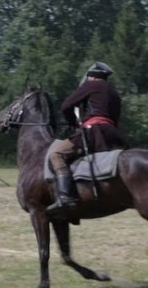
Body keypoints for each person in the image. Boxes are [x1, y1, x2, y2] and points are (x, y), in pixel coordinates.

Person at [46, 61, 129, 212]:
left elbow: (66, 106)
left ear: (92, 76)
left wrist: (74, 124)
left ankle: (65, 197)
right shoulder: (114, 93)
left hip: (94, 131)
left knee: (56, 155)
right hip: (112, 134)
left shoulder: (91, 85)